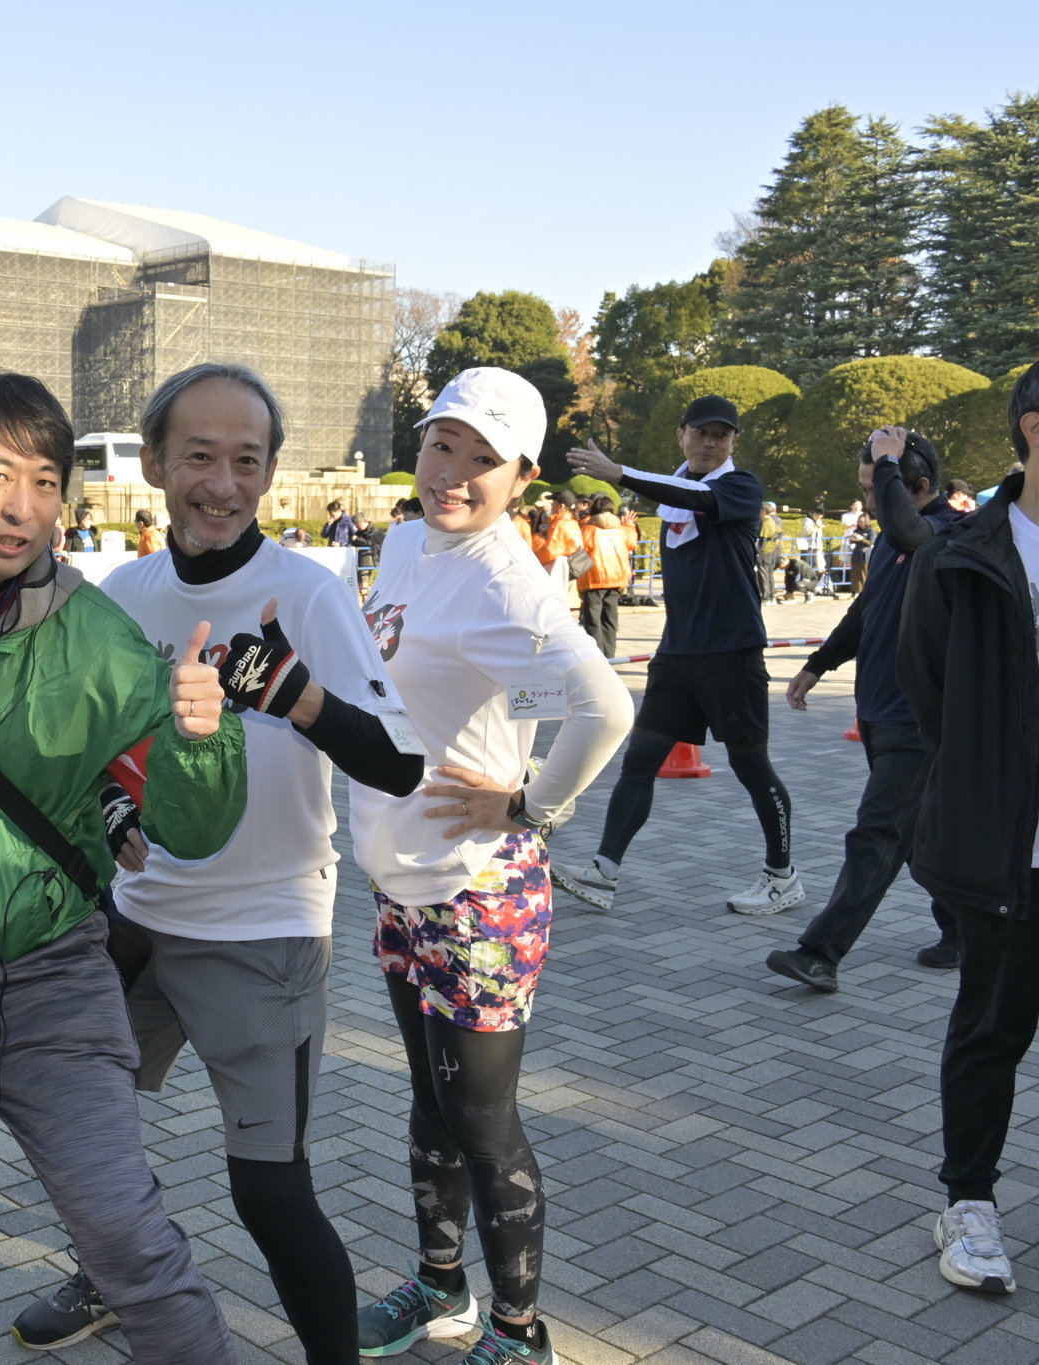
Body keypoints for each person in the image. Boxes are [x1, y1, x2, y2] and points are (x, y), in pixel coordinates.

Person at [0, 371, 248, 1363]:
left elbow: (192, 830)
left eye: (43, 481)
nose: (22, 506)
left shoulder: (98, 638)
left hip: (41, 979)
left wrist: (202, 740)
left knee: (125, 1236)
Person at [85, 364, 423, 1364]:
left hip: (262, 931)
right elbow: (105, 743)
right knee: (87, 1147)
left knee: (269, 1191)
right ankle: (104, 1278)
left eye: (246, 460)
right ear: (154, 464)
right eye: (199, 456)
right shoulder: (121, 594)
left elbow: (400, 764)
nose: (222, 483)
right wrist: (110, 800)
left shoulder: (306, 593)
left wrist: (297, 696)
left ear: (271, 472)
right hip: (136, 921)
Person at [351, 368, 634, 1364]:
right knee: (428, 1104)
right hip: (401, 883)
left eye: (485, 459)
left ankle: (519, 1334)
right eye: (443, 445)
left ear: (521, 477)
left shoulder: (508, 581)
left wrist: (527, 802)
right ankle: (440, 1288)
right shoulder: (405, 543)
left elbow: (605, 708)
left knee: (482, 1122)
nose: (454, 473)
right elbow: (496, 689)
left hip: (477, 894)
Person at [900, 348, 1039, 1300]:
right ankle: (968, 1202)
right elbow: (929, 690)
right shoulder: (961, 554)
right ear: (1038, 430)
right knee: (991, 1032)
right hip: (1014, 850)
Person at [558, 397, 802, 916]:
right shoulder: (672, 496)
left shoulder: (739, 487)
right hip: (677, 654)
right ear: (681, 435)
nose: (710, 443)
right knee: (639, 761)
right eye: (701, 432)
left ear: (733, 443)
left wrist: (619, 473)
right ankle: (604, 871)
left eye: (722, 435)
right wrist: (626, 477)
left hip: (732, 652)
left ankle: (783, 877)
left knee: (751, 766)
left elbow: (699, 498)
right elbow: (679, 492)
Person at [768, 428, 966, 995]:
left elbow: (912, 533)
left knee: (877, 835)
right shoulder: (889, 540)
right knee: (918, 836)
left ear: (917, 486)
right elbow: (866, 610)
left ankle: (820, 952)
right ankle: (964, 931)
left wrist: (888, 467)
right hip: (877, 711)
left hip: (918, 718)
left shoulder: (952, 534)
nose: (868, 501)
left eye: (875, 488)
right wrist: (818, 664)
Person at [576, 494, 635, 658]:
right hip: (615, 578)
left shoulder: (589, 529)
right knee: (610, 620)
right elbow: (631, 544)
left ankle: (598, 657)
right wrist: (629, 526)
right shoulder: (620, 530)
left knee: (593, 621)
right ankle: (610, 656)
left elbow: (578, 549)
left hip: (593, 579)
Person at [531, 489, 582, 591]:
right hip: (574, 568)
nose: (552, 504)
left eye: (554, 502)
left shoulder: (560, 524)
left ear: (561, 506)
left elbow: (550, 551)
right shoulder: (573, 522)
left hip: (560, 569)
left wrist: (533, 560)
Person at [757, 502, 784, 602]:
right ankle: (772, 595)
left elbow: (763, 540)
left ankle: (766, 597)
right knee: (770, 574)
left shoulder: (766, 523)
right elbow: (780, 532)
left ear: (764, 512)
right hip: (774, 550)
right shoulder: (773, 521)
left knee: (763, 574)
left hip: (766, 551)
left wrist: (758, 551)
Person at [845, 510, 874, 594]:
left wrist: (862, 539)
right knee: (854, 574)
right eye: (860, 521)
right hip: (856, 554)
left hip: (865, 555)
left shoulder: (870, 531)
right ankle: (854, 591)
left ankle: (864, 592)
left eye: (863, 521)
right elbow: (851, 541)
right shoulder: (857, 531)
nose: (861, 523)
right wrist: (852, 539)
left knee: (863, 574)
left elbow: (871, 543)